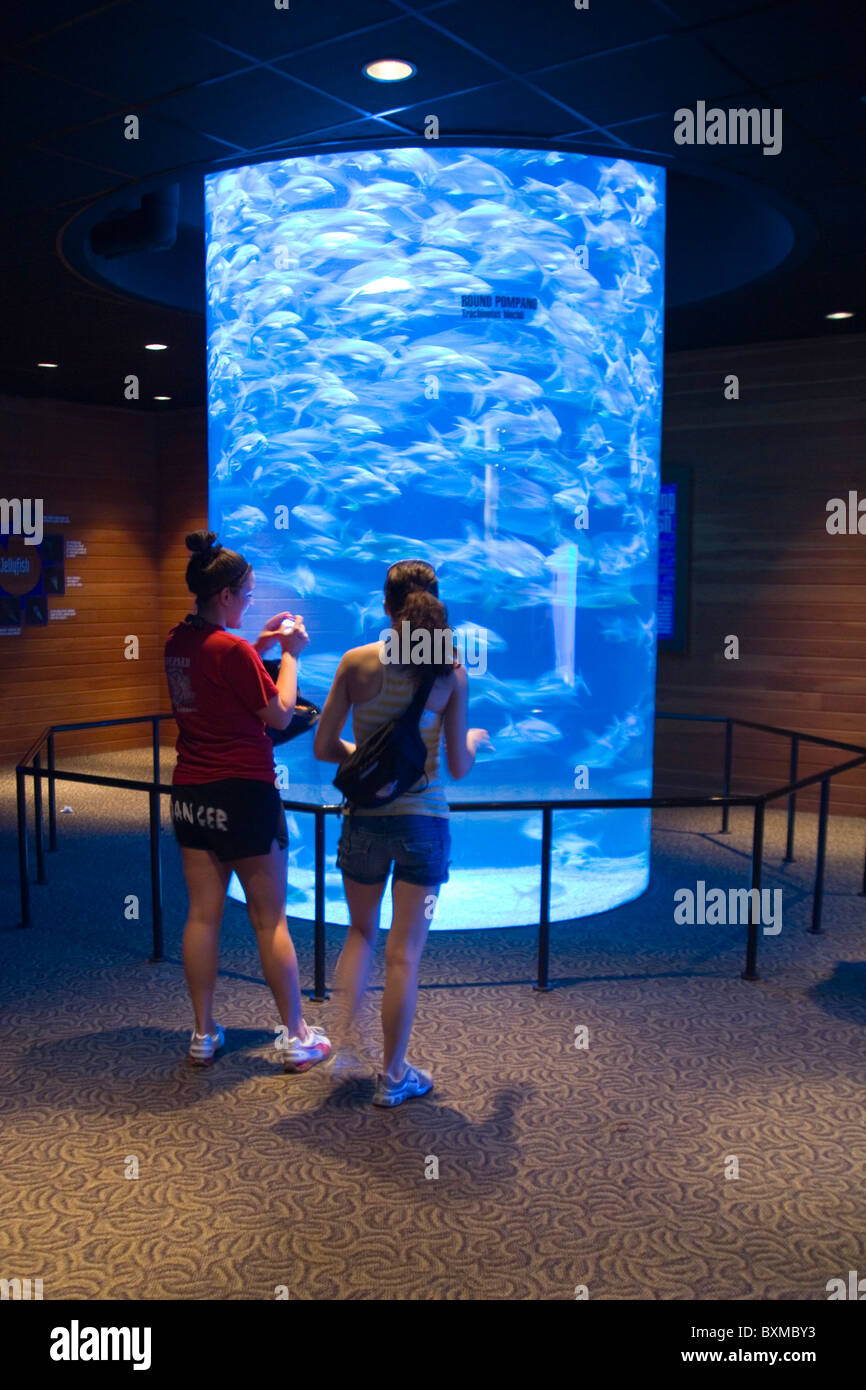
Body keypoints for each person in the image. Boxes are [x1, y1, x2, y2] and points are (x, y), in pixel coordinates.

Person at [313, 559, 490, 1107]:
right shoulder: (451, 672)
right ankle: (393, 1077)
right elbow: (456, 767)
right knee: (404, 955)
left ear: (386, 606)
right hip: (424, 824)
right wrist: (477, 739)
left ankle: (344, 1046)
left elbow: (324, 748)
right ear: (435, 602)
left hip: (364, 821)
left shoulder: (356, 663)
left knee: (360, 933)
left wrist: (371, 766)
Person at [164, 529, 331, 1072]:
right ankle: (299, 1036)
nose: (253, 601)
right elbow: (281, 715)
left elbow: (218, 678)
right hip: (243, 793)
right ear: (226, 596)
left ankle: (202, 1033)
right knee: (270, 921)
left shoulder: (178, 641)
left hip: (191, 792)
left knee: (203, 917)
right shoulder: (231, 649)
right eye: (250, 593)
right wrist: (288, 655)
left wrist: (255, 645)